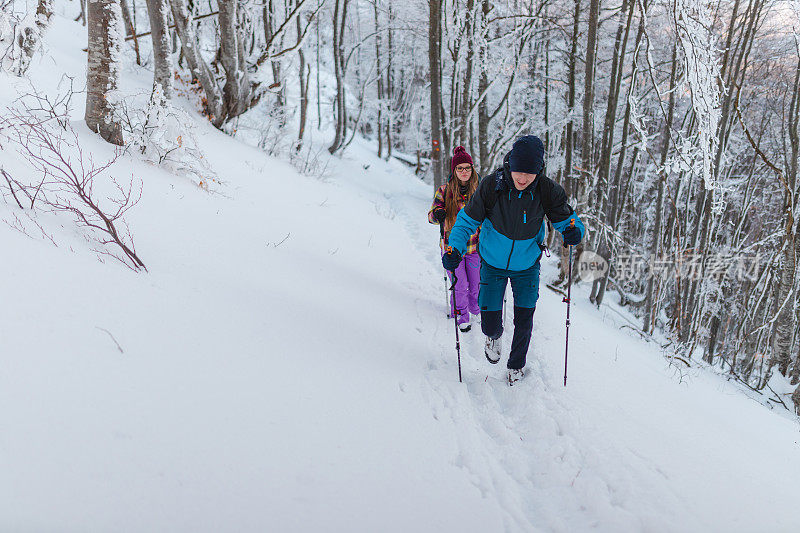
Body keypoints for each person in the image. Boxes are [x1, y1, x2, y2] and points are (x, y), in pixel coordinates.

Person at [442, 135, 585, 385]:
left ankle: (516, 365)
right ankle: (493, 335)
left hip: (527, 266)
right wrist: (454, 249)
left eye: (529, 174)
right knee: (489, 321)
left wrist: (575, 232)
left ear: (538, 170)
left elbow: (568, 220)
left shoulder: (546, 190)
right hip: (492, 263)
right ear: (510, 165)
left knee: (524, 318)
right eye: (518, 171)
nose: (522, 178)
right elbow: (465, 221)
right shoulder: (492, 186)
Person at [429, 146, 481, 332]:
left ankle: (475, 308)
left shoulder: (479, 190)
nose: (464, 171)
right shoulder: (444, 190)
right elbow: (431, 217)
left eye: (467, 168)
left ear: (472, 169)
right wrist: (438, 213)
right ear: (454, 171)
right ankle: (461, 314)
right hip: (452, 249)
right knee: (460, 285)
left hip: (475, 248)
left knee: (475, 285)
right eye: (460, 168)